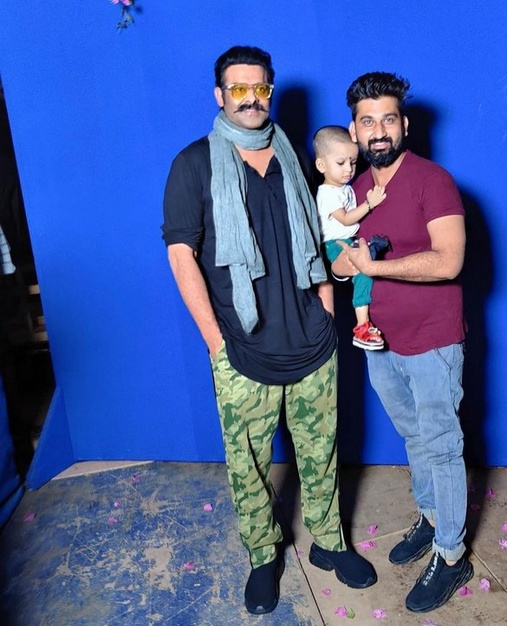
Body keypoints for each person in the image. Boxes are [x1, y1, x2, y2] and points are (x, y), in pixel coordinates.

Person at [161, 46, 376, 616]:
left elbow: (317, 238)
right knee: (249, 464)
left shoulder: (293, 159)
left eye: (260, 88)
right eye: (239, 89)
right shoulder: (193, 164)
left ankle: (330, 542)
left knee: (322, 452)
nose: (251, 99)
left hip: (311, 339)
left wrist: (327, 313)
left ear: (270, 91)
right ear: (220, 96)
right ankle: (263, 555)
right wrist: (216, 343)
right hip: (242, 346)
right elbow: (181, 256)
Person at [333, 71, 473, 614]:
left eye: (388, 119)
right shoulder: (354, 192)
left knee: (442, 442)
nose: (378, 131)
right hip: (380, 342)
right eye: (367, 122)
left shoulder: (432, 180)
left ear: (404, 125)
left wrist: (374, 266)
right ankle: (432, 517)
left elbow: (449, 261)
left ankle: (452, 554)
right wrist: (344, 266)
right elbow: (343, 263)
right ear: (354, 131)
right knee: (414, 435)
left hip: (433, 340)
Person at [313, 125, 388, 350]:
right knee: (364, 271)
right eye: (341, 163)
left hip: (348, 240)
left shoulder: (344, 188)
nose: (349, 169)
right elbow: (345, 219)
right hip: (335, 245)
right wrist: (369, 204)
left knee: (370, 262)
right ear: (321, 165)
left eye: (353, 162)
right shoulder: (327, 193)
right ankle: (362, 326)